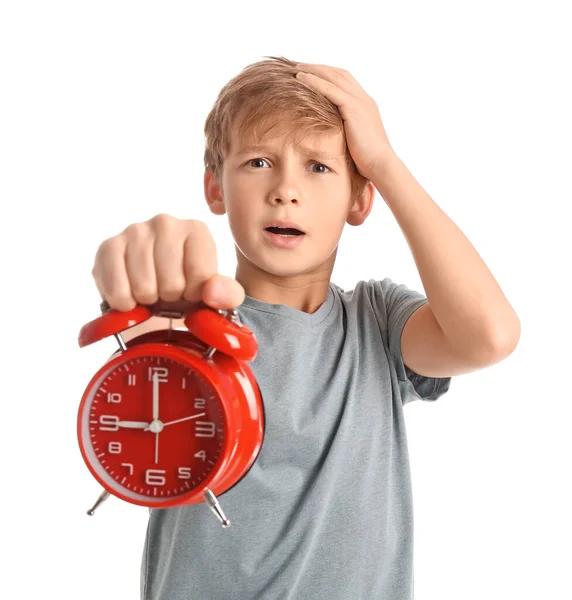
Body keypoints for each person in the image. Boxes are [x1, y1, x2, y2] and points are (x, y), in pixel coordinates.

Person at [91, 56, 520, 600]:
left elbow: (490, 334)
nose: (285, 190)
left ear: (361, 199)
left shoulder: (379, 324)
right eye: (258, 162)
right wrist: (140, 286)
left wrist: (383, 162)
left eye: (319, 167)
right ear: (215, 188)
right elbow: (147, 358)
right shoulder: (191, 326)